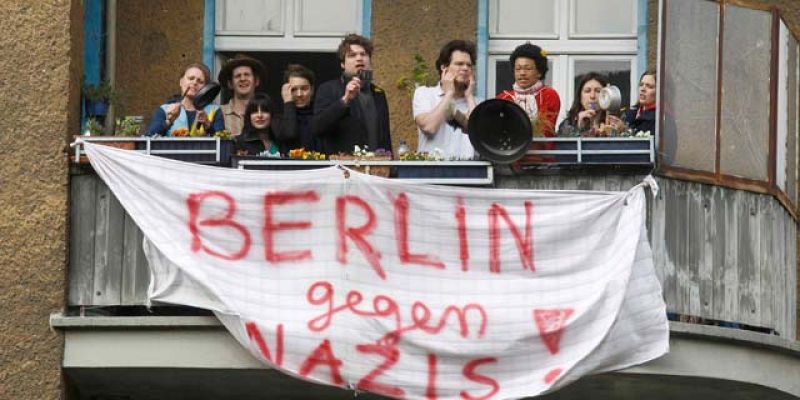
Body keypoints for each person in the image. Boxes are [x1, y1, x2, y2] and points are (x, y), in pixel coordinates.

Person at [313, 34, 391, 155]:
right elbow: (318, 127)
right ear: (342, 64)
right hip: (343, 169)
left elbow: (385, 136)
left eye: (363, 54)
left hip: (375, 168)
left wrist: (390, 168)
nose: (359, 58)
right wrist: (345, 100)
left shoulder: (378, 93)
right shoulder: (328, 89)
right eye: (352, 55)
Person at [413, 39, 479, 159]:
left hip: (468, 173)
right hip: (431, 171)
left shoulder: (476, 103)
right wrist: (449, 94)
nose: (465, 68)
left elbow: (478, 134)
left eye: (469, 65)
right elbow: (429, 127)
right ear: (444, 68)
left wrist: (469, 96)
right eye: (459, 64)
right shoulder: (424, 94)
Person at [496, 42, 560, 139]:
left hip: (541, 152)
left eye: (528, 68)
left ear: (539, 72)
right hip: (509, 151)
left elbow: (546, 130)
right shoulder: (503, 98)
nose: (522, 73)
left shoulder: (549, 94)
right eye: (518, 69)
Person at [146, 63, 224, 136]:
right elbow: (150, 136)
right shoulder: (164, 109)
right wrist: (169, 121)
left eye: (200, 81)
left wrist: (208, 126)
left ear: (205, 88)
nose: (194, 83)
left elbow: (223, 143)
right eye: (191, 78)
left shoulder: (214, 110)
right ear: (181, 82)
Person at [217, 55, 267, 136]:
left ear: (256, 81)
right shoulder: (219, 113)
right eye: (237, 76)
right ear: (230, 84)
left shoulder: (266, 114)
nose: (243, 79)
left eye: (247, 74)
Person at [274, 64, 319, 151]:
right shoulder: (278, 117)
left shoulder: (320, 113)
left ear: (312, 90)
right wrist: (288, 103)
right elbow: (289, 134)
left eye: (304, 88)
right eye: (293, 89)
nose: (299, 94)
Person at [557, 72, 609, 136]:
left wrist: (615, 132)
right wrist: (578, 127)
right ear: (580, 97)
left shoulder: (613, 123)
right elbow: (564, 144)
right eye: (587, 91)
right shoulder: (568, 124)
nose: (592, 96)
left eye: (598, 91)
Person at [619, 70, 657, 134]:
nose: (642, 89)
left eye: (649, 86)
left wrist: (624, 129)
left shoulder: (661, 118)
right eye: (641, 84)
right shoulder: (631, 112)